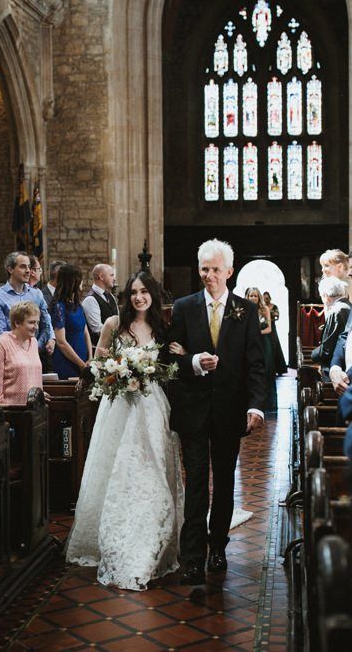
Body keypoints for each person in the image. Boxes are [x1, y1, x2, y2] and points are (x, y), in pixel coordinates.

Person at [66, 271, 184, 590]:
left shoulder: (162, 328)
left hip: (152, 407)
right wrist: (114, 372)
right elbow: (97, 361)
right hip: (119, 406)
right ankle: (116, 538)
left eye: (144, 292)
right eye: (133, 292)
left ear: (153, 295)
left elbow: (169, 367)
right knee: (116, 469)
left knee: (152, 468)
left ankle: (156, 534)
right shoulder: (114, 325)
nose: (138, 297)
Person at [168, 239, 265, 585]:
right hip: (193, 408)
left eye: (215, 270)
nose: (209, 276)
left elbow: (256, 363)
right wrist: (192, 361)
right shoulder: (184, 307)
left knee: (224, 482)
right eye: (204, 269)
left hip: (229, 409)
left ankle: (218, 547)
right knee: (195, 483)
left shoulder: (246, 311)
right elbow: (169, 358)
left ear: (229, 272)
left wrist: (255, 404)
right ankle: (192, 557)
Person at [0, 251, 56, 359]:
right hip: (10, 356)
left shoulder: (36, 294)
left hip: (36, 354)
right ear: (10, 269)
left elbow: (46, 322)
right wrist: (21, 351)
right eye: (23, 267)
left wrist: (38, 345)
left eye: (29, 267)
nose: (28, 271)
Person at [0, 301, 43, 405]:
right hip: (9, 412)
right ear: (17, 323)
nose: (36, 327)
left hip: (33, 411)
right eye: (31, 322)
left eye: (37, 322)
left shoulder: (34, 343)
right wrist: (3, 414)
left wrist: (39, 395)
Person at [49, 264, 92, 379]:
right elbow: (61, 342)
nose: (82, 281)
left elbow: (85, 331)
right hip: (67, 361)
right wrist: (81, 365)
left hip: (83, 359)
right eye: (80, 278)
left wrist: (91, 358)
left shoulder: (77, 304)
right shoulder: (59, 306)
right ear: (73, 281)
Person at [311, 277, 351, 379]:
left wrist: (313, 354)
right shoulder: (348, 306)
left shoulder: (336, 311)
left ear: (325, 295)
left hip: (336, 370)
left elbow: (327, 350)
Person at [246, 287, 276, 411]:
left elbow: (269, 329)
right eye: (251, 296)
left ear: (259, 297)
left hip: (264, 342)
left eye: (255, 296)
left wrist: (256, 332)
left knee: (267, 370)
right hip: (250, 343)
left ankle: (268, 404)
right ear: (247, 297)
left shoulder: (265, 310)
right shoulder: (245, 309)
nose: (253, 298)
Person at [82, 263, 119, 345]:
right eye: (112, 275)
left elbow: (118, 319)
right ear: (101, 276)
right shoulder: (90, 299)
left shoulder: (111, 296)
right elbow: (97, 329)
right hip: (99, 348)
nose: (114, 279)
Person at [263, 291, 287, 375]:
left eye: (267, 298)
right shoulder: (262, 307)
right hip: (265, 327)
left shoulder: (274, 306)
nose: (266, 299)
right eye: (264, 298)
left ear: (269, 298)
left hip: (272, 327)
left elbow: (277, 316)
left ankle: (278, 368)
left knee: (274, 345)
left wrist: (271, 316)